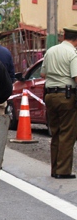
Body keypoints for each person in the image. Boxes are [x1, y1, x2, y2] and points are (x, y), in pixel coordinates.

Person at [40, 26, 77, 179]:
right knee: (67, 134)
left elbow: (43, 73)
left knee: (55, 133)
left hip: (50, 95)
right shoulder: (72, 54)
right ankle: (63, 171)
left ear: (63, 37)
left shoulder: (51, 51)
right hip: (66, 96)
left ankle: (55, 168)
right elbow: (76, 77)